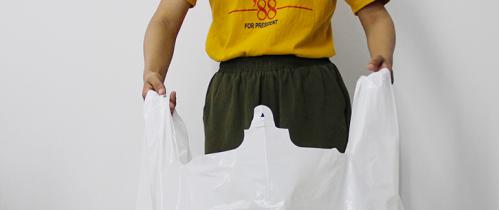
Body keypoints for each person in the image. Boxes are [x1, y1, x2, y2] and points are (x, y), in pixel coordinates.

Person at [142, 0, 395, 153]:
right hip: (234, 94)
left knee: (320, 204)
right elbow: (165, 19)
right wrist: (153, 72)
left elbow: (374, 16)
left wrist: (382, 57)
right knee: (234, 208)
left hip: (311, 92)